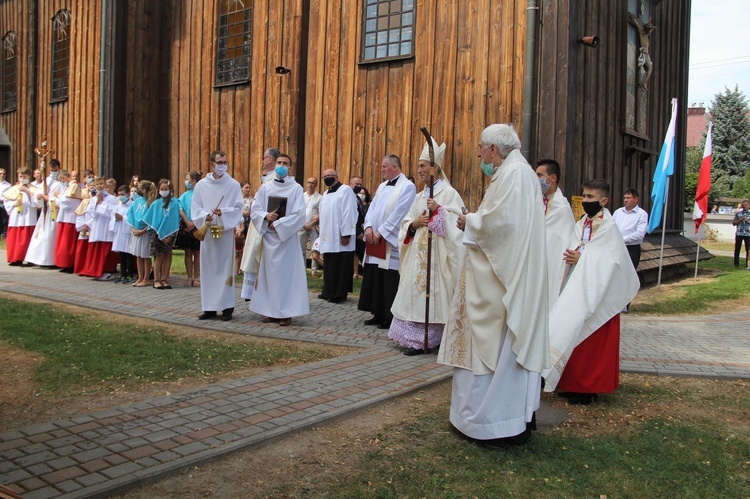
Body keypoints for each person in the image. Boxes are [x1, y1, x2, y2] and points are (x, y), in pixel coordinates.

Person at [437, 124, 549, 448]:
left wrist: (468, 221)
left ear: (493, 150)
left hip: (500, 285)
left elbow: (501, 227)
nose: (478, 154)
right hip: (506, 276)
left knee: (494, 352)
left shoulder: (514, 174)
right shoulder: (516, 172)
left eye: (481, 148)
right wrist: (477, 221)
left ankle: (491, 423)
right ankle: (501, 420)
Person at [543, 180, 640, 404]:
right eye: (584, 196)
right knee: (573, 335)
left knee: (591, 343)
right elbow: (577, 245)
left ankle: (589, 388)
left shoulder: (608, 226)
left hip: (599, 292)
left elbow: (611, 261)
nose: (585, 201)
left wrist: (583, 258)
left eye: (590, 197)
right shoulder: (584, 222)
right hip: (579, 285)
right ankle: (573, 383)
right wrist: (575, 255)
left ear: (603, 201)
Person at [389, 137, 465, 355]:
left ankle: (431, 339)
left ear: (435, 168)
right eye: (418, 166)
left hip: (438, 257)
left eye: (422, 166)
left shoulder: (448, 194)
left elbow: (458, 223)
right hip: (417, 256)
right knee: (414, 294)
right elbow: (407, 222)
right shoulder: (420, 195)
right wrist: (414, 224)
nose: (419, 170)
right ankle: (414, 338)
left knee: (436, 296)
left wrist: (439, 212)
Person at [249, 156, 309, 326]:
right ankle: (270, 311)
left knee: (286, 277)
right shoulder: (265, 187)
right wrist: (266, 217)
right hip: (269, 238)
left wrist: (280, 224)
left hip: (286, 240)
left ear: (290, 167)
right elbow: (256, 209)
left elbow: (300, 214)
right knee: (269, 277)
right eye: (279, 163)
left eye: (285, 164)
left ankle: (286, 312)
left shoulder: (296, 188)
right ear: (275, 165)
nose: (282, 166)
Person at [358, 155, 416, 329]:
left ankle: (390, 316)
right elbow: (372, 209)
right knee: (375, 275)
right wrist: (368, 228)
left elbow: (400, 213)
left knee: (388, 279)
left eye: (384, 166)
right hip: (374, 239)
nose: (382, 169)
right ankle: (377, 312)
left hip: (389, 241)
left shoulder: (407, 187)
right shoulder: (382, 186)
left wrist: (381, 232)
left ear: (395, 167)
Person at [192, 151, 244, 321]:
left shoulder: (233, 185)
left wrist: (223, 212)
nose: (223, 165)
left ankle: (227, 307)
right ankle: (210, 308)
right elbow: (195, 207)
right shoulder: (201, 185)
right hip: (207, 233)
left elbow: (238, 208)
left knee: (225, 268)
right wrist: (205, 215)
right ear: (212, 164)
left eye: (225, 161)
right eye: (219, 162)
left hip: (225, 232)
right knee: (208, 269)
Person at [239, 148, 281, 300]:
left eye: (264, 158)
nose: (262, 161)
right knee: (253, 256)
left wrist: (267, 217)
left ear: (270, 159)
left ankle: (259, 292)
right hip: (258, 222)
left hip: (266, 225)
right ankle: (251, 292)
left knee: (261, 258)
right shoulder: (268, 178)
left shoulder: (276, 179)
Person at [536, 159, 576, 308]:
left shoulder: (562, 208)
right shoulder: (535, 201)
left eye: (540, 175)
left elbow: (563, 240)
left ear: (552, 178)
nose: (537, 179)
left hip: (552, 262)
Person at [317, 169, 358, 303]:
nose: (328, 178)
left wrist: (346, 233)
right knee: (329, 264)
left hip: (341, 237)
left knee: (341, 265)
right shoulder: (325, 194)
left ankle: (339, 294)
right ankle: (328, 291)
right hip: (328, 236)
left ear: (337, 177)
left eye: (330, 176)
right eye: (325, 176)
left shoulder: (345, 190)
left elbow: (349, 211)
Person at [144, 179, 181, 289]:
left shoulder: (175, 203)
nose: (163, 191)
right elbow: (152, 220)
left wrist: (170, 236)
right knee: (159, 257)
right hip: (157, 235)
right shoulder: (156, 203)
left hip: (170, 234)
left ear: (170, 190)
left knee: (168, 256)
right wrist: (160, 235)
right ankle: (156, 280)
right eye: (161, 189)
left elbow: (175, 220)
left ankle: (164, 278)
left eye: (166, 189)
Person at [79, 177, 118, 280]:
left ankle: (106, 271)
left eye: (101, 184)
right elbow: (92, 212)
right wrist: (97, 202)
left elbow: (111, 213)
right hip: (96, 226)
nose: (99, 186)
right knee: (96, 248)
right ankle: (94, 271)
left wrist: (102, 203)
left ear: (105, 185)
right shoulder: (93, 198)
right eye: (97, 184)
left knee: (105, 249)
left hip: (106, 227)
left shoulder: (112, 198)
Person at [2, 167, 39, 265]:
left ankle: (30, 259)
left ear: (29, 176)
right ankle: (16, 258)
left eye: (24, 176)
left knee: (27, 238)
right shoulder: (14, 188)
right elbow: (6, 201)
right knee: (15, 238)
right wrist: (14, 203)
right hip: (16, 216)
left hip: (28, 216)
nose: (22, 178)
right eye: (20, 176)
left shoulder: (33, 188)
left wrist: (27, 191)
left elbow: (37, 202)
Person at [126, 180, 157, 287]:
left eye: (139, 189)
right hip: (136, 231)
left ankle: (146, 278)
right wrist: (133, 228)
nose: (137, 191)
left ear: (144, 190)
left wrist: (144, 230)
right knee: (138, 256)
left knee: (145, 256)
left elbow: (152, 218)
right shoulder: (137, 201)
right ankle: (140, 277)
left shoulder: (151, 202)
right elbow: (131, 214)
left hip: (145, 233)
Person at [612, 188, 648, 272]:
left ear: (636, 199)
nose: (625, 200)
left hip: (631, 248)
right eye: (625, 198)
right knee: (615, 272)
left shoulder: (642, 214)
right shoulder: (618, 212)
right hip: (616, 247)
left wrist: (623, 239)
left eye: (628, 198)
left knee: (628, 272)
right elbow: (611, 227)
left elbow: (639, 234)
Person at [52, 170, 81, 272]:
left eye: (61, 179)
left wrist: (57, 197)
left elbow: (67, 201)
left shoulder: (74, 186)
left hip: (70, 218)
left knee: (68, 243)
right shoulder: (68, 186)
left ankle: (69, 264)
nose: (61, 182)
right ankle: (64, 263)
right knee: (63, 243)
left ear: (64, 177)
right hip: (64, 218)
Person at [177, 171, 202, 286]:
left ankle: (196, 277)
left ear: (193, 180)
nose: (186, 181)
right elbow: (180, 208)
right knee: (188, 252)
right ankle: (189, 276)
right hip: (187, 226)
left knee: (197, 252)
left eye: (187, 179)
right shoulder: (185, 195)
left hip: (198, 226)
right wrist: (187, 222)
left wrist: (196, 223)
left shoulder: (202, 194)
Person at [110, 185, 135, 283]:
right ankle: (123, 274)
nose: (121, 196)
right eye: (119, 194)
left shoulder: (132, 205)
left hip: (128, 232)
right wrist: (116, 219)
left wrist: (123, 219)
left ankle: (130, 274)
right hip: (120, 232)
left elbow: (132, 218)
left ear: (128, 195)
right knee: (122, 254)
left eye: (123, 194)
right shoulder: (118, 206)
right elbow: (112, 219)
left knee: (129, 254)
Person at [300, 176, 321, 274]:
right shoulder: (301, 196)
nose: (310, 185)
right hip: (302, 225)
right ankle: (302, 270)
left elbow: (321, 213)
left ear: (316, 185)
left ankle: (314, 271)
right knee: (301, 249)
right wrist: (303, 224)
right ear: (306, 184)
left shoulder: (319, 197)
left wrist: (313, 223)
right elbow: (297, 211)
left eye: (313, 183)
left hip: (313, 226)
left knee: (314, 249)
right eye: (309, 182)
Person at [235, 180, 254, 272]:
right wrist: (242, 212)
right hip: (239, 223)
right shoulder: (238, 200)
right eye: (246, 187)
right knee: (238, 246)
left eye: (249, 187)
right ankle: (236, 267)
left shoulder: (252, 200)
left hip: (248, 222)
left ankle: (243, 267)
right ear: (241, 188)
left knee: (246, 245)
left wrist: (249, 213)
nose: (248, 189)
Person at [733, 199, 750, 268]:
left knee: (748, 249)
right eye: (743, 205)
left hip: (748, 234)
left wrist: (746, 220)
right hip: (739, 233)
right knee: (737, 249)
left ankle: (748, 264)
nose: (744, 207)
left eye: (745, 205)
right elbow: (734, 223)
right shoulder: (738, 213)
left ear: (749, 205)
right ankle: (736, 263)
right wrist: (740, 219)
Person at [0, 168, 11, 239]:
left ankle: (3, 234)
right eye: (0, 173)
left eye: (4, 174)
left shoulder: (8, 185)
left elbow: (9, 195)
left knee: (4, 219)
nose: (2, 175)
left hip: (2, 203)